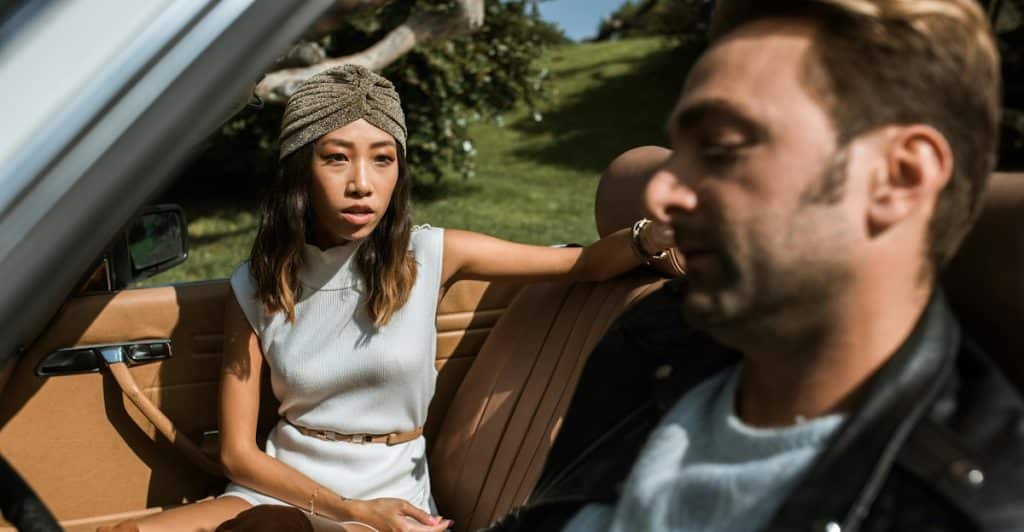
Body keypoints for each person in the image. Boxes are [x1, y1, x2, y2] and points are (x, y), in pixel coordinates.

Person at [486, 1, 1024, 531]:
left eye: (720, 149)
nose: (660, 192)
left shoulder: (962, 512)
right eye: (676, 152)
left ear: (898, 177)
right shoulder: (652, 343)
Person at [119, 64, 673, 532]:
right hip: (281, 490)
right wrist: (344, 509)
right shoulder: (256, 284)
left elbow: (579, 263)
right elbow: (238, 454)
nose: (363, 183)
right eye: (336, 158)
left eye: (382, 159)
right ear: (300, 172)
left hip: (389, 498)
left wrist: (650, 237)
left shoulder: (431, 254)